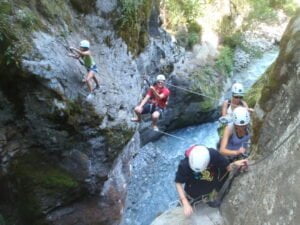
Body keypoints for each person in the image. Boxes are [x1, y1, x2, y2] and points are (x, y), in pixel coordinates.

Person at [175, 145, 248, 217]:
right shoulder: (184, 164)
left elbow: (227, 167)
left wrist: (236, 164)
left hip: (208, 195)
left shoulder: (214, 155)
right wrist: (185, 202)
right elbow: (178, 182)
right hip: (191, 196)